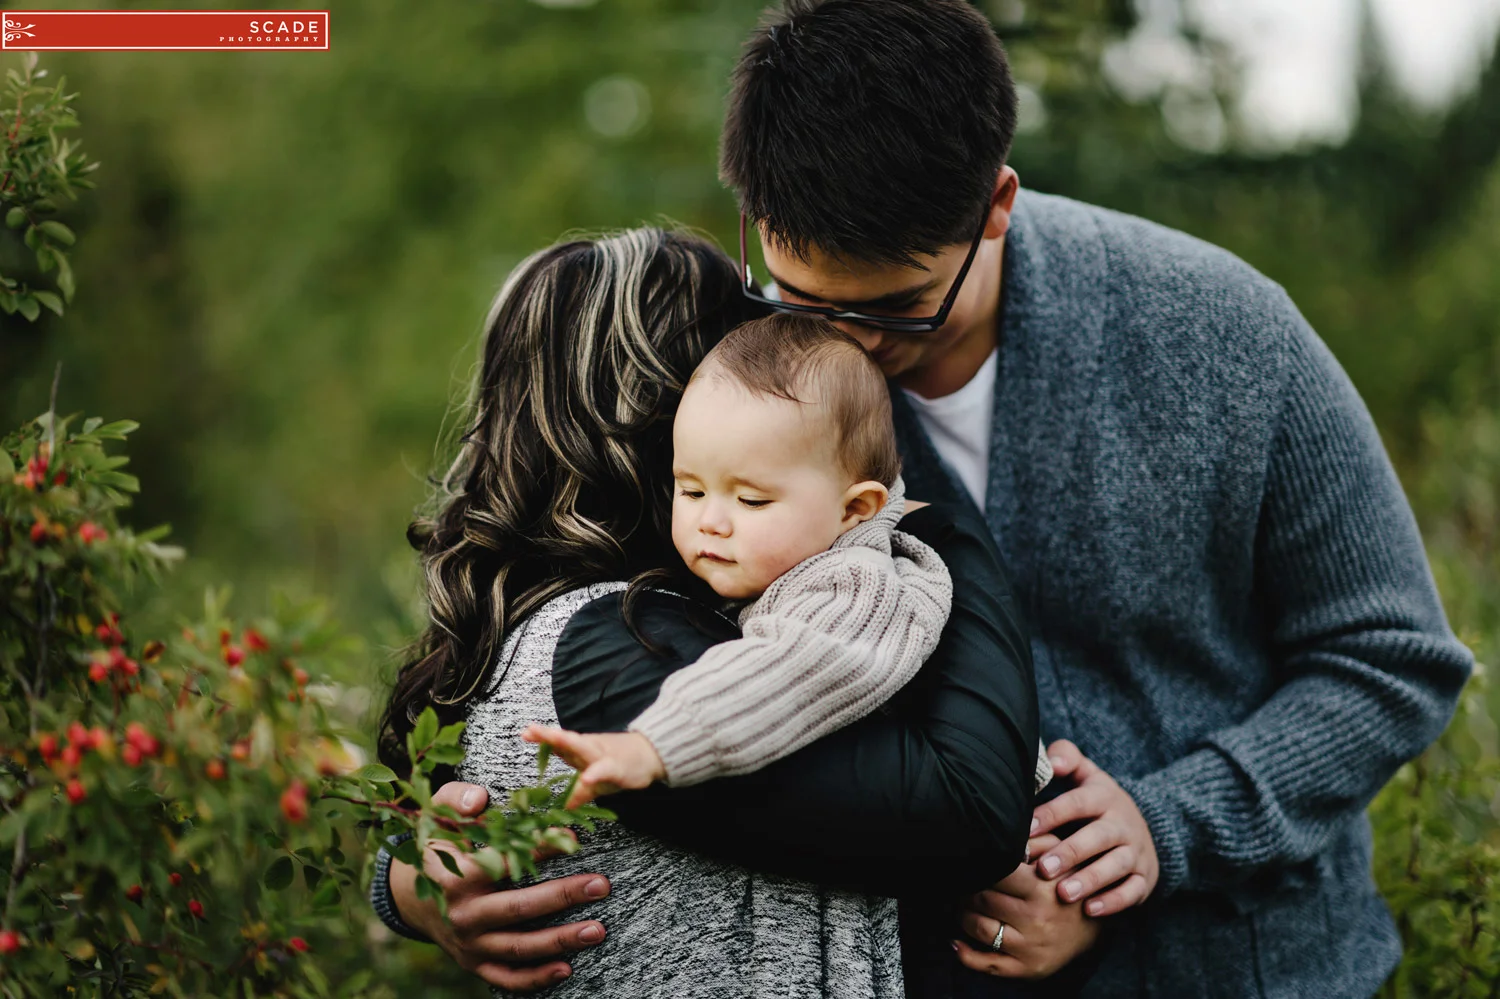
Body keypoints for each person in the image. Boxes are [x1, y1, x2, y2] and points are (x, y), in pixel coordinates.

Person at [380, 0, 1474, 995]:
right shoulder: (745, 364)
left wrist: (1167, 823)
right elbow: (533, 633)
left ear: (996, 204)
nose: (845, 343)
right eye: (803, 295)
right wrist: (415, 883)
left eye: (900, 310)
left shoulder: (1223, 336)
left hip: (1231, 972)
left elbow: (1391, 653)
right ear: (754, 213)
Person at [372, 227, 1047, 995]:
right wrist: (938, 527)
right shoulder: (616, 650)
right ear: (668, 410)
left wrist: (396, 879)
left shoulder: (579, 625)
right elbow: (970, 812)